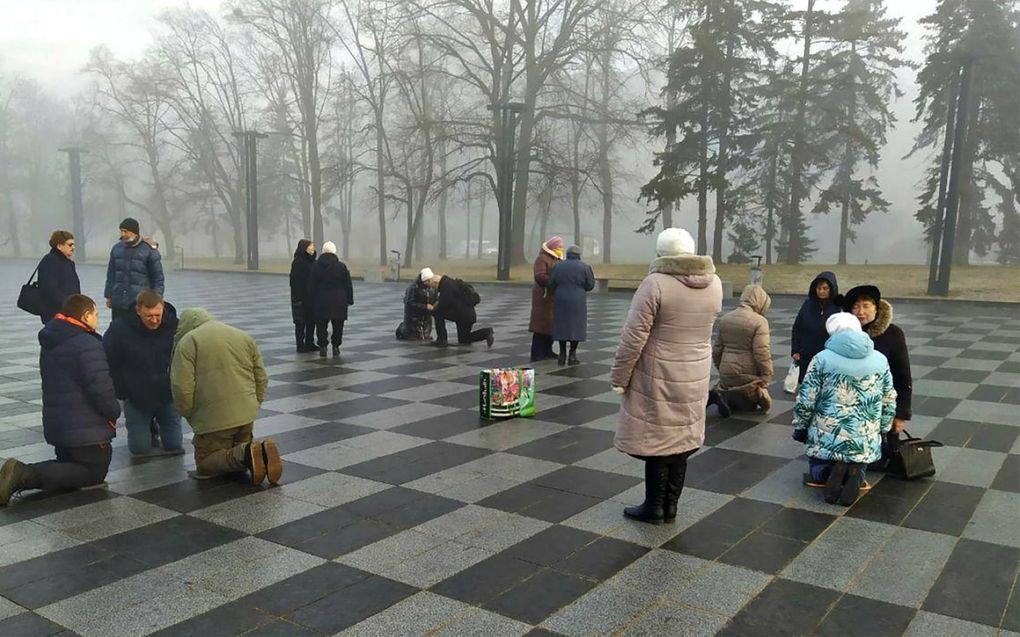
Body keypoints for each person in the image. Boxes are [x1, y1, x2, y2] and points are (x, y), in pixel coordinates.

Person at [610, 228, 723, 524]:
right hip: (696, 370)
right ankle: (671, 505)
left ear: (661, 252)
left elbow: (633, 336)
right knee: (682, 437)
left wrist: (620, 376)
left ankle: (654, 506)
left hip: (659, 371)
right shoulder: (715, 284)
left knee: (658, 440)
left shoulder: (655, 283)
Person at [0, 295, 120, 506]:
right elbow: (101, 388)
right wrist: (113, 412)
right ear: (85, 315)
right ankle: (23, 474)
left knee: (69, 465)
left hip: (60, 426)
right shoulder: (86, 343)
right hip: (85, 430)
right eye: (96, 314)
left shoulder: (52, 339)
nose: (97, 319)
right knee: (93, 473)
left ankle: (21, 474)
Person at [792, 312, 897, 506]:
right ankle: (856, 471)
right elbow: (889, 398)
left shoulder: (822, 358)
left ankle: (828, 472)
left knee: (817, 465)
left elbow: (807, 397)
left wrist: (801, 426)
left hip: (828, 431)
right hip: (865, 434)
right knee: (859, 457)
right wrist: (883, 428)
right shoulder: (880, 359)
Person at [170, 308, 281, 485]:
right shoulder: (242, 335)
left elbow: (181, 386)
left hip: (211, 420)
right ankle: (255, 454)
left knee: (206, 464)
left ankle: (249, 452)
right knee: (234, 456)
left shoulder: (188, 341)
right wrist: (255, 403)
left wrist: (189, 413)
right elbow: (261, 376)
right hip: (246, 414)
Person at [103, 290, 183, 458]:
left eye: (157, 315)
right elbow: (108, 361)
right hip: (136, 396)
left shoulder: (175, 326)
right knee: (139, 449)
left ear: (163, 309)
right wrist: (122, 391)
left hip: (167, 394)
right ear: (138, 310)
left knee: (174, 445)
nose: (154, 320)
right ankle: (146, 428)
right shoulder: (119, 328)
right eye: (148, 316)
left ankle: (156, 426)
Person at [843, 285, 912, 466]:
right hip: (849, 409)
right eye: (856, 307)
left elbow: (903, 376)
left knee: (880, 462)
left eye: (866, 306)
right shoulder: (843, 335)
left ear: (876, 308)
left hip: (880, 408)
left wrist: (901, 414)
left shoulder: (893, 334)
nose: (861, 312)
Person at [710, 284, 774, 414]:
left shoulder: (726, 318)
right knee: (758, 401)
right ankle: (739, 398)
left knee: (730, 385)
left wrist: (721, 367)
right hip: (748, 374)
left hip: (726, 371)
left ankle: (723, 395)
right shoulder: (760, 322)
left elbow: (717, 349)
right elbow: (761, 352)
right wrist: (766, 375)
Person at [105, 217, 165, 322]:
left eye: (125, 231)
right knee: (118, 332)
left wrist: (156, 300)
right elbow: (111, 274)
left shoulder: (149, 251)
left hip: (139, 304)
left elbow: (157, 278)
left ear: (134, 232)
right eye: (121, 231)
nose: (122, 234)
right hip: (119, 302)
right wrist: (109, 295)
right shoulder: (116, 248)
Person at [791, 271, 841, 384]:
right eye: (819, 288)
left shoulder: (838, 308)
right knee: (806, 388)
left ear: (832, 289)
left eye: (825, 288)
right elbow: (797, 328)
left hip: (828, 356)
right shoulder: (807, 305)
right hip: (806, 355)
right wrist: (795, 350)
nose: (821, 291)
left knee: (825, 388)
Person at [548, 244, 594, 366]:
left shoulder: (558, 266)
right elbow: (590, 285)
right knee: (576, 327)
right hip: (577, 299)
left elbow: (551, 283)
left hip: (561, 298)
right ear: (578, 255)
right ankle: (572, 354)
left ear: (567, 254)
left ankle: (562, 354)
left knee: (561, 326)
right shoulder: (585, 267)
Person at [308, 241, 353, 358]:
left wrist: (311, 299)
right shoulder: (341, 266)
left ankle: (323, 346)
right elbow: (348, 284)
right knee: (338, 325)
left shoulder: (316, 266)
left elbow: (312, 285)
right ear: (334, 251)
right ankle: (336, 346)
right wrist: (349, 299)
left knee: (321, 325)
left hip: (321, 300)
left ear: (323, 251)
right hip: (339, 300)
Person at [427, 274, 494, 348]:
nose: (434, 288)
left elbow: (444, 304)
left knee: (437, 312)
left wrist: (433, 307)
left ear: (436, 282)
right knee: (464, 339)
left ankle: (442, 340)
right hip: (467, 315)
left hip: (463, 316)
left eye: (433, 286)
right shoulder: (450, 282)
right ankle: (486, 332)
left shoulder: (445, 286)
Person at [529, 236, 563, 361]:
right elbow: (540, 276)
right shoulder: (542, 259)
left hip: (552, 296)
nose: (560, 248)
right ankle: (537, 352)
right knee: (541, 325)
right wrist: (554, 282)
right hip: (543, 296)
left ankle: (548, 350)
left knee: (551, 325)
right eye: (558, 246)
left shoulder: (556, 259)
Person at [36, 230, 81, 324]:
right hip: (56, 315)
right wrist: (69, 306)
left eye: (73, 245)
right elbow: (50, 290)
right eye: (70, 245)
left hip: (70, 313)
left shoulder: (68, 263)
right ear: (59, 246)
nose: (73, 248)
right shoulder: (50, 261)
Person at [289, 239, 317, 353]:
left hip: (312, 297)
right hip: (300, 298)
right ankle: (300, 345)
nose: (313, 248)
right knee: (300, 323)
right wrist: (298, 297)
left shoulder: (313, 262)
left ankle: (310, 343)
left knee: (311, 321)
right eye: (311, 246)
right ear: (304, 248)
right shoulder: (298, 262)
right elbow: (294, 281)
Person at [397, 267, 437, 341]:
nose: (431, 282)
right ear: (424, 280)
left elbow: (434, 298)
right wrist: (425, 306)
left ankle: (424, 333)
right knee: (413, 337)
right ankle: (402, 329)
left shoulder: (432, 287)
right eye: (428, 281)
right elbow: (409, 303)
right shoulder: (413, 288)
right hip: (413, 317)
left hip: (426, 317)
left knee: (425, 336)